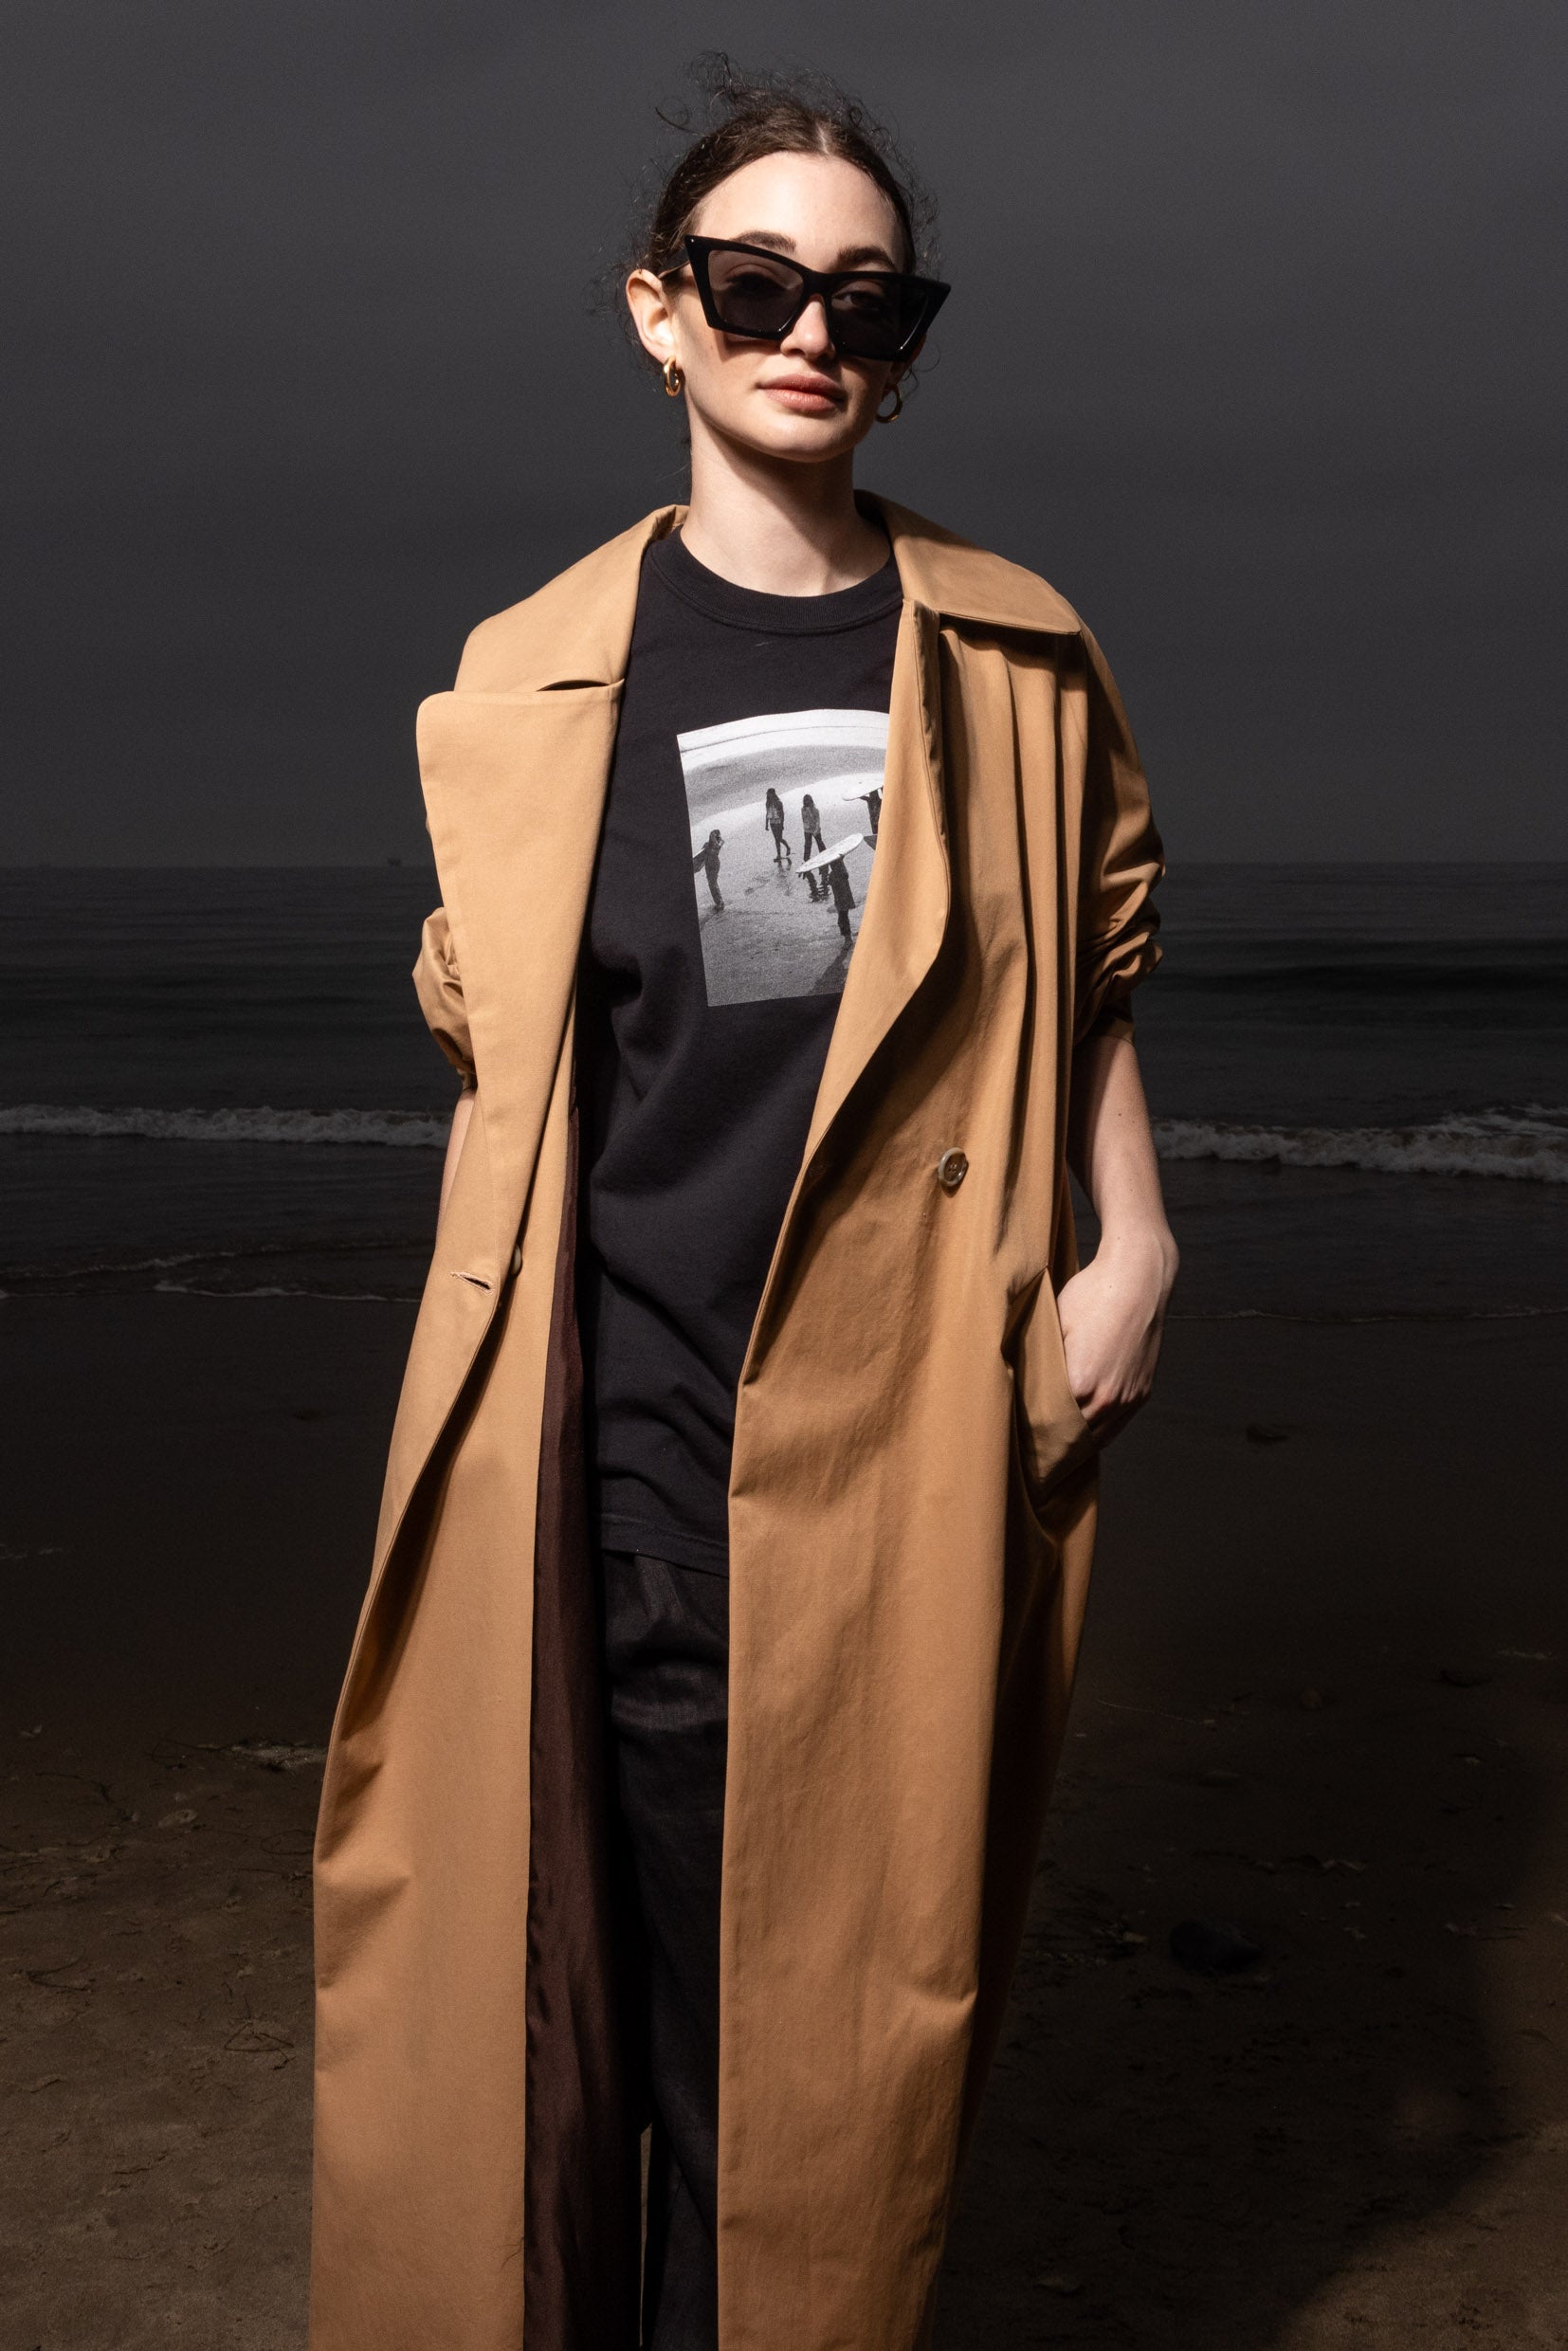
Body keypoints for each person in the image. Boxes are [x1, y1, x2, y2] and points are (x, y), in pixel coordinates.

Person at [311, 60, 1175, 2351]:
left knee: (815, 2071)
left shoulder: (1013, 654)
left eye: (865, 300)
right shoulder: (529, 678)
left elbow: (1084, 965)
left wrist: (1136, 1235)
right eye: (754, 281)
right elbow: (515, 1041)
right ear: (656, 312)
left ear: (904, 345)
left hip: (901, 1446)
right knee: (570, 2026)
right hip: (612, 1457)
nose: (809, 331)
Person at [799, 789, 827, 897]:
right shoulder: (803, 809)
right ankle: (806, 858)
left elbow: (817, 820)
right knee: (807, 844)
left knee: (820, 843)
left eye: (807, 802)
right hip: (807, 829)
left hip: (815, 829)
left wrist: (816, 830)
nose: (806, 804)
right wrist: (806, 828)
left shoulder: (815, 810)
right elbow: (804, 820)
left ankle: (824, 854)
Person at [824, 850, 855, 941]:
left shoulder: (836, 875)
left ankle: (848, 939)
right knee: (843, 919)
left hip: (842, 901)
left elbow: (830, 882)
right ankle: (848, 937)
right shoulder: (842, 873)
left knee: (842, 920)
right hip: (843, 900)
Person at [692, 826, 725, 907]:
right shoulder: (708, 845)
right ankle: (719, 902)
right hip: (708, 864)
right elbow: (700, 856)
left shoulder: (717, 844)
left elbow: (717, 846)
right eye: (711, 836)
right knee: (712, 884)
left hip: (714, 865)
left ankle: (719, 902)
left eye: (713, 836)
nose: (711, 837)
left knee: (712, 884)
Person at [763, 785, 792, 864]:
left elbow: (782, 814)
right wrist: (766, 824)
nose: (768, 795)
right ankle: (779, 854)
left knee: (779, 838)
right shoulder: (767, 803)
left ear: (772, 794)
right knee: (776, 839)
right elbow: (767, 814)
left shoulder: (779, 803)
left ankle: (787, 848)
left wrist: (782, 824)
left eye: (769, 794)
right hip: (772, 822)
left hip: (778, 822)